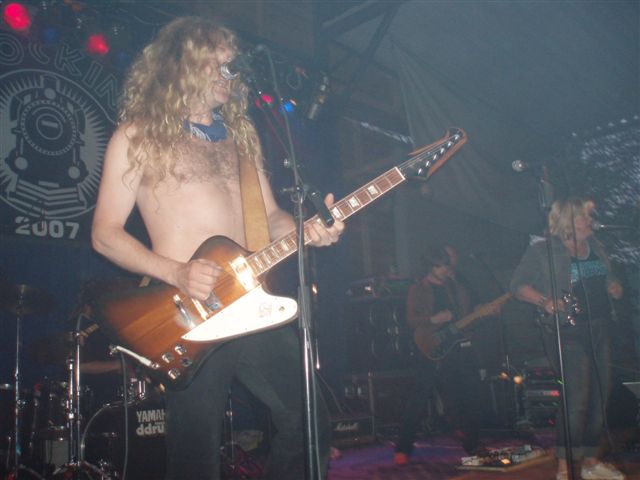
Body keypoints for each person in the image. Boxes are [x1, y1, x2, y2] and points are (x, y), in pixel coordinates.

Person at [91, 16, 344, 480]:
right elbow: (105, 234)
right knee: (196, 456)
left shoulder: (241, 138)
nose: (232, 73)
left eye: (233, 64)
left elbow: (271, 217)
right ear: (185, 64)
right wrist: (176, 271)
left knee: (309, 422)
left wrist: (306, 229)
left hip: (249, 300)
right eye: (219, 63)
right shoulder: (138, 135)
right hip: (186, 311)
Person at [510, 196, 625, 480]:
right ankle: (565, 467)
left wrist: (613, 286)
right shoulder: (544, 251)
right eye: (585, 216)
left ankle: (590, 463)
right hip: (567, 330)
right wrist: (545, 301)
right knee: (577, 398)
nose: (590, 220)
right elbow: (517, 286)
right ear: (568, 220)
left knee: (600, 396)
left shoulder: (596, 246)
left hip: (599, 327)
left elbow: (605, 279)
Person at [394, 245, 492, 465]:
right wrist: (433, 319)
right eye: (441, 266)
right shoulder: (418, 289)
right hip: (430, 346)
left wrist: (482, 310)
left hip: (457, 345)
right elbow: (411, 320)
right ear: (431, 267)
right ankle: (403, 448)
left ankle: (473, 443)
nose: (447, 269)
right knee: (419, 397)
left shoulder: (456, 285)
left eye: (447, 265)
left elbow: (467, 314)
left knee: (469, 393)